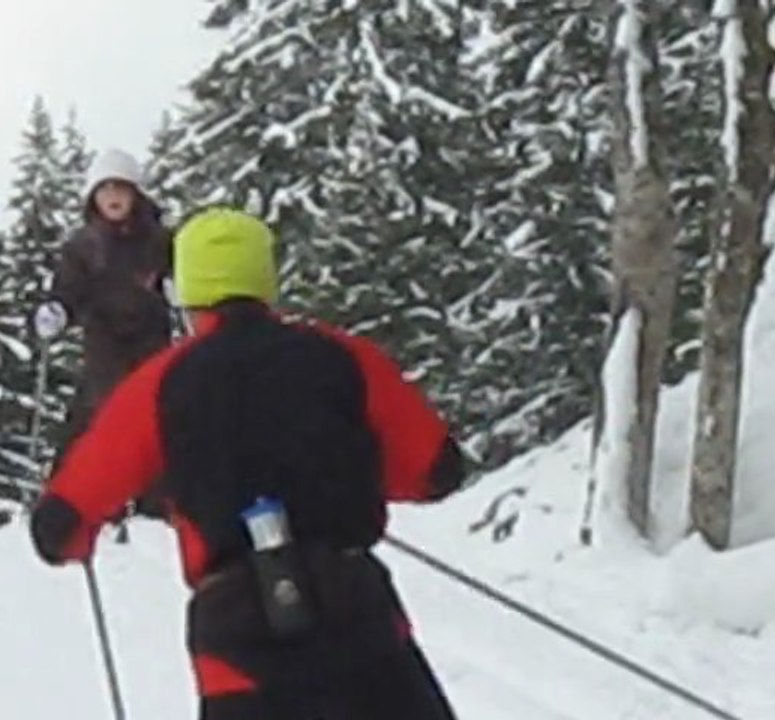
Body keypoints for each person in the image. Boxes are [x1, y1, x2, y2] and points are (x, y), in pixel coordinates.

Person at [30, 208, 465, 719]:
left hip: (237, 631)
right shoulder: (340, 355)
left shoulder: (160, 383)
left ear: (187, 294)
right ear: (266, 280)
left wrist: (71, 538)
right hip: (354, 608)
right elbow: (437, 469)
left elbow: (63, 517)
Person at [33, 147, 172, 518]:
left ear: (136, 195)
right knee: (100, 410)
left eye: (121, 189)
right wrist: (59, 309)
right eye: (105, 189)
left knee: (156, 410)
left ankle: (157, 500)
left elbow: (177, 274)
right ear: (94, 197)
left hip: (150, 333)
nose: (113, 197)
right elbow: (70, 287)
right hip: (103, 336)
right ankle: (75, 500)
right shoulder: (83, 245)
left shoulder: (159, 240)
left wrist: (179, 290)